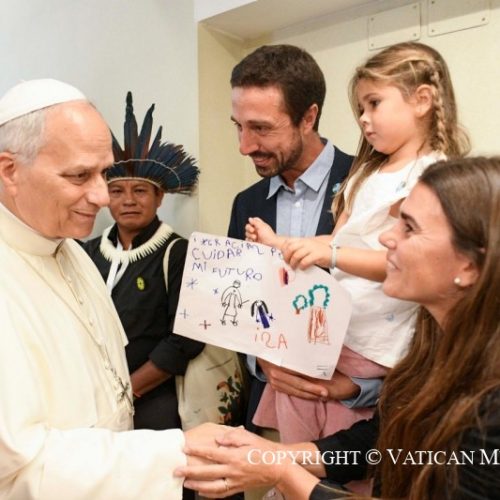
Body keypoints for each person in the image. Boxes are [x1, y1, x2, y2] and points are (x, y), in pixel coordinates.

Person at [175, 156, 500, 499]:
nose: (386, 237)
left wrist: (280, 471)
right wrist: (274, 455)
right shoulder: (430, 350)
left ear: (469, 264)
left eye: (409, 228)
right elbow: (381, 447)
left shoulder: (491, 408)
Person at [244, 42, 470, 454]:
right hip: (339, 324)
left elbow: (403, 260)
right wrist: (282, 244)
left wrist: (329, 256)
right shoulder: (366, 172)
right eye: (360, 109)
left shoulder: (431, 175)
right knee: (296, 396)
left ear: (422, 100)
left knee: (346, 435)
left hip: (377, 338)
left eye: (374, 104)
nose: (363, 118)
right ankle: (291, 470)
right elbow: (338, 240)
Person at [0, 78, 220, 499]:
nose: (104, 197)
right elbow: (20, 468)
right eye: (80, 175)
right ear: (10, 171)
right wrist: (175, 451)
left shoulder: (74, 252)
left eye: (104, 173)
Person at [227, 43, 373, 436]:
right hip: (271, 417)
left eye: (261, 128)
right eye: (238, 126)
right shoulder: (247, 203)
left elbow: (400, 307)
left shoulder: (369, 185)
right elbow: (238, 306)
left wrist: (362, 387)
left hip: (361, 424)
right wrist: (262, 363)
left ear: (308, 118)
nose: (244, 146)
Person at [83, 92, 205, 433]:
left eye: (140, 191)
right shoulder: (87, 253)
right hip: (93, 399)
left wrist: (128, 391)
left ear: (159, 197)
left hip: (154, 402)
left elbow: (184, 340)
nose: (128, 201)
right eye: (117, 191)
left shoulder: (178, 253)